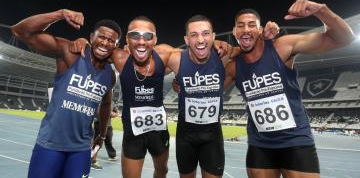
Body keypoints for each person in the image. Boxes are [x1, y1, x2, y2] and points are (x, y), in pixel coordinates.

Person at [70, 16, 230, 178]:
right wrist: (84, 41)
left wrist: (214, 44)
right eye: (134, 35)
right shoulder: (119, 57)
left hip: (158, 132)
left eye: (147, 36)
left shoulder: (166, 54)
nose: (141, 41)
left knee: (162, 171)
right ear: (127, 39)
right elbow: (99, 47)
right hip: (133, 134)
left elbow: (196, 52)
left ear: (155, 40)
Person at [224, 0, 355, 178]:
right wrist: (218, 47)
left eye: (251, 25)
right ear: (234, 31)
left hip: (296, 141)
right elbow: (204, 90)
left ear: (260, 30)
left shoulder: (282, 47)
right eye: (240, 26)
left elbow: (344, 38)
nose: (246, 29)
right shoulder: (233, 67)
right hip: (260, 145)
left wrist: (321, 11)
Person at [165, 15, 278, 178]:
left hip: (212, 136)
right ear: (186, 39)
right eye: (194, 35)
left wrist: (263, 36)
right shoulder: (177, 59)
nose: (200, 39)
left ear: (213, 36)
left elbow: (248, 46)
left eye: (205, 34)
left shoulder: (224, 55)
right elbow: (152, 61)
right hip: (185, 135)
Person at [11, 9, 120, 178]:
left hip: (81, 150)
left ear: (116, 46)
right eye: (101, 37)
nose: (105, 43)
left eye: (111, 40)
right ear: (91, 37)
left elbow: (106, 103)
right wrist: (60, 14)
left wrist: (102, 135)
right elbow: (20, 31)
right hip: (50, 145)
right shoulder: (70, 53)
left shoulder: (110, 75)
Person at [91, 101, 120, 170]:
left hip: (108, 125)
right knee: (98, 143)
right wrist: (108, 113)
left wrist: (114, 114)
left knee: (108, 141)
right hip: (99, 124)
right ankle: (92, 161)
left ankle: (112, 156)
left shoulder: (111, 102)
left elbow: (116, 112)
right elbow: (96, 112)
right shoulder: (98, 100)